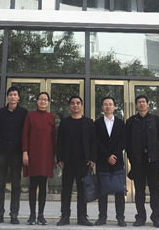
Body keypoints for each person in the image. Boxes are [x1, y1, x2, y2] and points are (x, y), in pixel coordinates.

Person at [126, 95, 159, 228]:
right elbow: (127, 142)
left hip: (153, 159)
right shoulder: (131, 121)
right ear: (136, 105)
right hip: (138, 160)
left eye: (144, 102)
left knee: (154, 190)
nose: (141, 104)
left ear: (148, 104)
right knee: (139, 191)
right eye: (139, 102)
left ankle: (156, 218)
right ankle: (140, 217)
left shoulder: (156, 120)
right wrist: (131, 158)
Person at [56, 95, 97, 227]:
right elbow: (59, 142)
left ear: (81, 106)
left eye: (78, 103)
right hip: (67, 162)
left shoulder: (88, 122)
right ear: (69, 106)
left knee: (82, 191)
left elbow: (93, 142)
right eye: (73, 103)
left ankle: (82, 217)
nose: (75, 105)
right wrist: (60, 158)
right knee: (66, 190)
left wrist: (92, 158)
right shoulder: (64, 122)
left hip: (83, 162)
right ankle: (65, 216)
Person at [0, 86, 28, 225]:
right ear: (7, 97)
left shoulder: (23, 113)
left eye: (15, 94)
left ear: (18, 97)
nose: (13, 97)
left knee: (16, 185)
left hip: (17, 153)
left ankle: (14, 214)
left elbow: (25, 132)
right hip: (2, 152)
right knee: (0, 184)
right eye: (10, 94)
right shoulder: (1, 112)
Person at [22, 92, 56, 225]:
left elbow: (53, 138)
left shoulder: (51, 117)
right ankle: (32, 215)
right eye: (41, 99)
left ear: (48, 102)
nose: (43, 102)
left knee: (43, 185)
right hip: (33, 155)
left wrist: (54, 157)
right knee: (32, 185)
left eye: (45, 100)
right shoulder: (30, 115)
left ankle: (41, 215)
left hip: (46, 155)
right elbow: (25, 135)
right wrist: (25, 152)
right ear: (37, 101)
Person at [94, 96, 127, 227]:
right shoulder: (96, 124)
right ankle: (102, 217)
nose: (108, 106)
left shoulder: (120, 123)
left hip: (117, 161)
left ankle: (121, 218)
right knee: (103, 190)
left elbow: (124, 140)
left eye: (110, 104)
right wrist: (108, 155)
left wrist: (114, 155)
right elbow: (96, 141)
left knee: (119, 191)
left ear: (114, 107)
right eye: (105, 104)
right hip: (102, 161)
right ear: (102, 107)